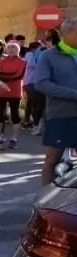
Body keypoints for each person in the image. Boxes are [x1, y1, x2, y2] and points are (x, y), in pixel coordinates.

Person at [34, 17, 77, 185]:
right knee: (52, 157)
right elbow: (42, 84)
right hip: (60, 114)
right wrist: (73, 94)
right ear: (67, 33)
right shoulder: (49, 56)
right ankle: (45, 198)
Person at [0, 42, 27, 150]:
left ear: (18, 49)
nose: (11, 49)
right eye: (9, 47)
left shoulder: (23, 62)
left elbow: (19, 75)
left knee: (15, 115)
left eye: (14, 47)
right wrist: (3, 79)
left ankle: (14, 138)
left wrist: (4, 78)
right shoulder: (0, 61)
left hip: (15, 91)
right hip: (1, 91)